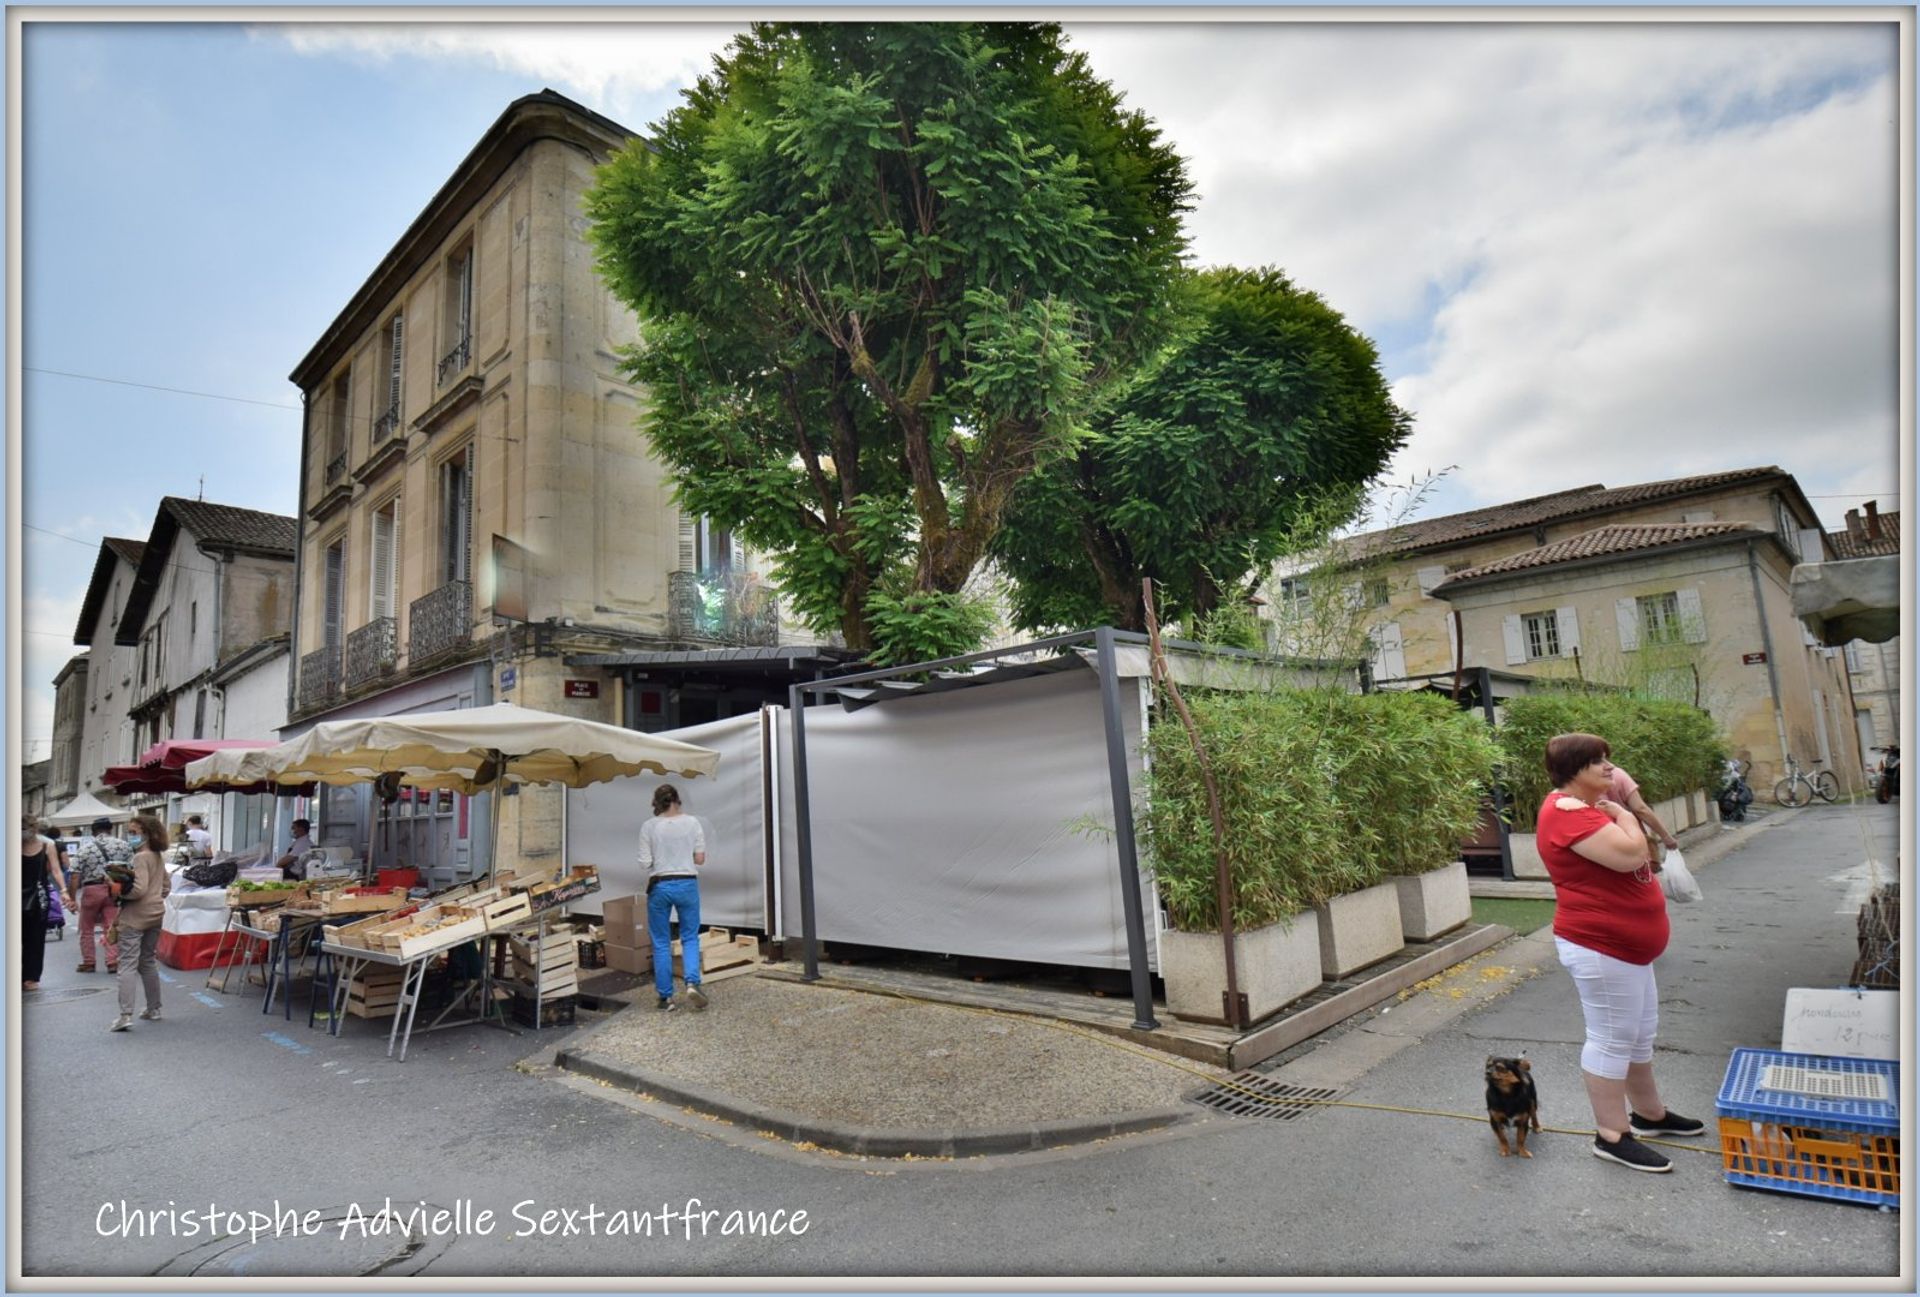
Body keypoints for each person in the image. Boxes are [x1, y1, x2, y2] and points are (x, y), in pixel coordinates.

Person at [1537, 732, 1705, 1174]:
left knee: (1638, 1032)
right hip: (1600, 945)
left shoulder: (1589, 809)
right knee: (1612, 1038)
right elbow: (1633, 855)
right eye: (1599, 763)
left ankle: (1650, 1114)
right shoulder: (1565, 812)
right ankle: (1611, 1135)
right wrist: (1629, 817)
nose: (1610, 769)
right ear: (1575, 771)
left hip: (1627, 949)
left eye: (1608, 760)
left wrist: (1617, 814)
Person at [638, 784, 708, 1012]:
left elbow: (644, 863)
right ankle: (691, 982)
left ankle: (666, 997)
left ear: (657, 803)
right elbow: (699, 859)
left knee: (660, 942)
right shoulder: (693, 823)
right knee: (689, 936)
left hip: (660, 885)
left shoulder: (649, 826)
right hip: (687, 883)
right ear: (678, 800)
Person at [108, 814, 171, 1032]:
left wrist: (119, 892)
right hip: (156, 914)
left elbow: (138, 890)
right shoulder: (157, 856)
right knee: (148, 961)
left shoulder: (140, 857)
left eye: (133, 832)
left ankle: (125, 1015)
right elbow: (166, 887)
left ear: (146, 833)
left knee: (126, 964)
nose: (130, 836)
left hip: (135, 916)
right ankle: (154, 1008)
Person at [68, 816, 132, 974]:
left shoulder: (85, 849)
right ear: (110, 829)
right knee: (111, 926)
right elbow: (131, 869)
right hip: (114, 888)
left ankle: (89, 962)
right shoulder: (124, 846)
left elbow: (75, 875)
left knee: (87, 927)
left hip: (91, 889)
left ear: (93, 831)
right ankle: (112, 961)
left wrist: (72, 898)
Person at [20, 816, 72, 991]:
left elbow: (56, 870)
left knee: (35, 937)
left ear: (34, 830)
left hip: (38, 896)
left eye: (25, 829)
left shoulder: (47, 845)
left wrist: (64, 891)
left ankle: (30, 977)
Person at [1608, 764, 1680, 858]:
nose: (1609, 765)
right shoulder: (1617, 774)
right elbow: (1640, 809)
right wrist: (1666, 837)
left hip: (1602, 845)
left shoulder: (1583, 783)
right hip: (1631, 840)